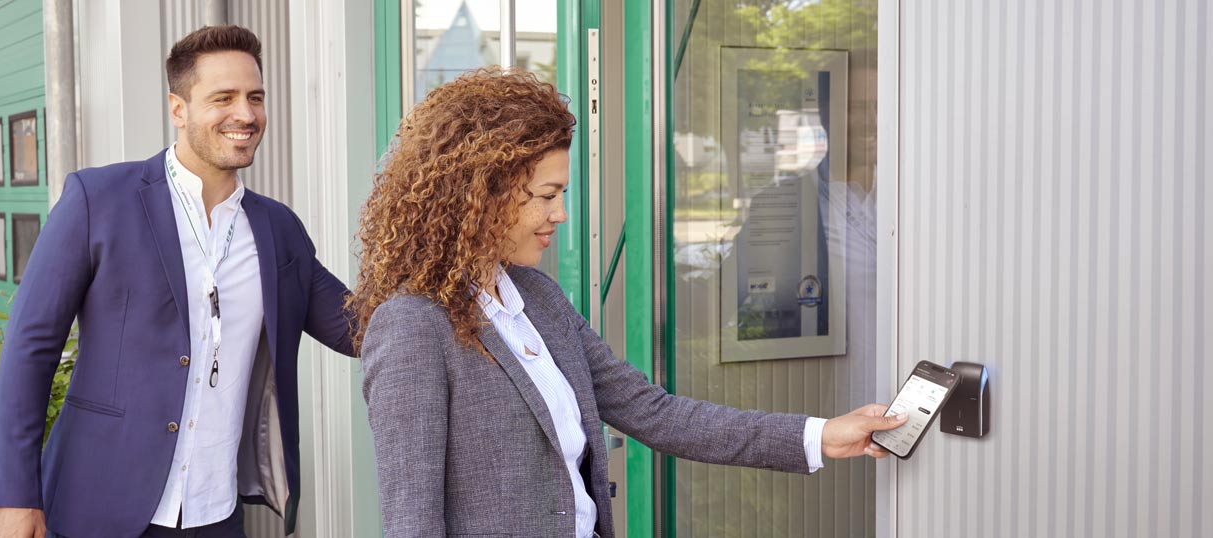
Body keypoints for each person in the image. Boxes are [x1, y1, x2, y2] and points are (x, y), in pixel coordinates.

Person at [349, 68, 909, 538]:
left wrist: (819, 435)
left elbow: (655, 412)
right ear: (478, 196)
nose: (560, 214)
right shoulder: (412, 325)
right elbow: (412, 523)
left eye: (561, 194)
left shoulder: (536, 297)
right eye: (545, 196)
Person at [0, 26, 353, 538]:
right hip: (97, 507)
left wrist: (459, 270)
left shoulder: (278, 230)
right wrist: (16, 495)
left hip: (217, 515)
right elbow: (31, 347)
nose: (245, 115)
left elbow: (359, 327)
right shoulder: (98, 200)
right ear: (178, 109)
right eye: (223, 98)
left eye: (255, 97)